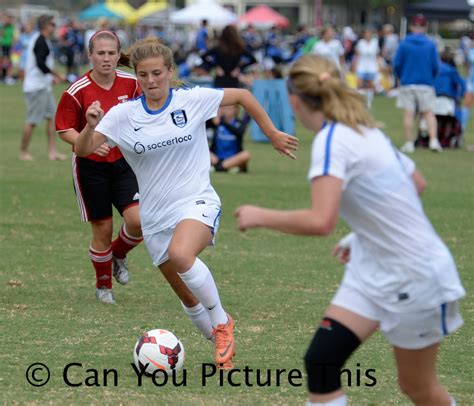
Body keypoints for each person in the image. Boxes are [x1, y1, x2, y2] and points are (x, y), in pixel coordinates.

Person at [235, 54, 465, 405]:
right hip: (373, 269)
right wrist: (362, 235)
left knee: (417, 386)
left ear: (295, 99)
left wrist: (259, 215)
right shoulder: (362, 127)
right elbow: (415, 182)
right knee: (321, 361)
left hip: (413, 276)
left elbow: (321, 221)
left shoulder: (332, 140)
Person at [74, 37, 298, 368]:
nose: (151, 82)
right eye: (144, 75)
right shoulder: (123, 114)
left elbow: (244, 96)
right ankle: (222, 353)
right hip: (153, 218)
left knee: (182, 255)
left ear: (170, 72)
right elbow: (82, 150)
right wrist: (91, 126)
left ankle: (223, 324)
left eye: (157, 74)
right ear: (136, 76)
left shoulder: (191, 101)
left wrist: (273, 133)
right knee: (189, 298)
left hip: (196, 202)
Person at [55, 30, 143, 305]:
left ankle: (118, 254)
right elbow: (64, 129)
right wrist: (90, 142)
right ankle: (103, 286)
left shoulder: (132, 84)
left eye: (111, 53)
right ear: (90, 55)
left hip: (125, 163)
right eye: (100, 53)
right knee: (103, 229)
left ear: (119, 55)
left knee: (139, 221)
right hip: (89, 168)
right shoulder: (77, 90)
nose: (106, 59)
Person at [20, 15, 66, 161]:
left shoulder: (41, 40)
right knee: (32, 121)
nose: (54, 26)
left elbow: (40, 64)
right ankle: (23, 152)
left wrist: (50, 79)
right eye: (53, 24)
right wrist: (56, 75)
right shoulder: (40, 40)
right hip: (36, 87)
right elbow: (40, 63)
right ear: (46, 25)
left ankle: (52, 153)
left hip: (42, 86)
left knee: (52, 118)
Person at [393, 14, 442, 153]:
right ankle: (433, 141)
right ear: (425, 27)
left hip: (408, 82)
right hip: (425, 83)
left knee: (409, 114)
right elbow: (436, 66)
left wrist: (401, 76)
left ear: (412, 26)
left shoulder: (404, 43)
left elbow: (397, 64)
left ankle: (409, 143)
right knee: (428, 113)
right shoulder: (431, 44)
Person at [209, 105, 251, 173]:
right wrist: (216, 119)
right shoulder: (216, 123)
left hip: (233, 158)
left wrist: (223, 123)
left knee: (246, 155)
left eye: (229, 109)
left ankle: (219, 167)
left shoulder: (239, 123)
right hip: (216, 158)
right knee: (201, 149)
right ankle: (223, 166)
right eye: (224, 109)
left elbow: (239, 132)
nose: (226, 111)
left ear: (236, 110)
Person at [354, 27, 379, 108]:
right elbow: (357, 55)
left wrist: (378, 66)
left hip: (372, 67)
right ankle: (359, 101)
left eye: (369, 33)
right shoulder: (360, 43)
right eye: (366, 33)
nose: (368, 35)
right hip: (362, 66)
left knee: (370, 85)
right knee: (359, 84)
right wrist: (355, 65)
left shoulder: (375, 42)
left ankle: (369, 102)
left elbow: (377, 55)